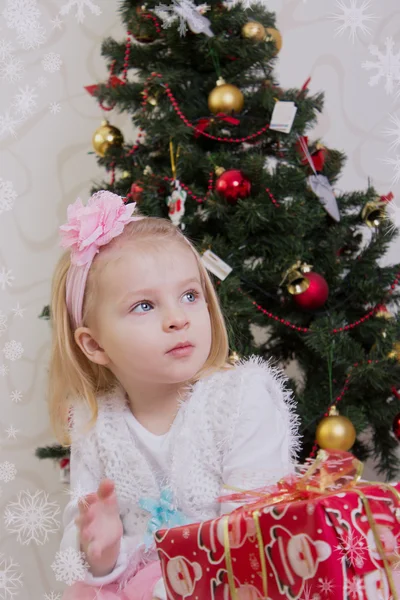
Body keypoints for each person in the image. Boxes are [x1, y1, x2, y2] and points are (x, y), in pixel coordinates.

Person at [48, 190, 301, 600]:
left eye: (189, 295)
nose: (178, 319)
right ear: (95, 346)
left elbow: (255, 526)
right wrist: (101, 548)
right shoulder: (96, 424)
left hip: (239, 582)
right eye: (144, 305)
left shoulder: (239, 399)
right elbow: (85, 548)